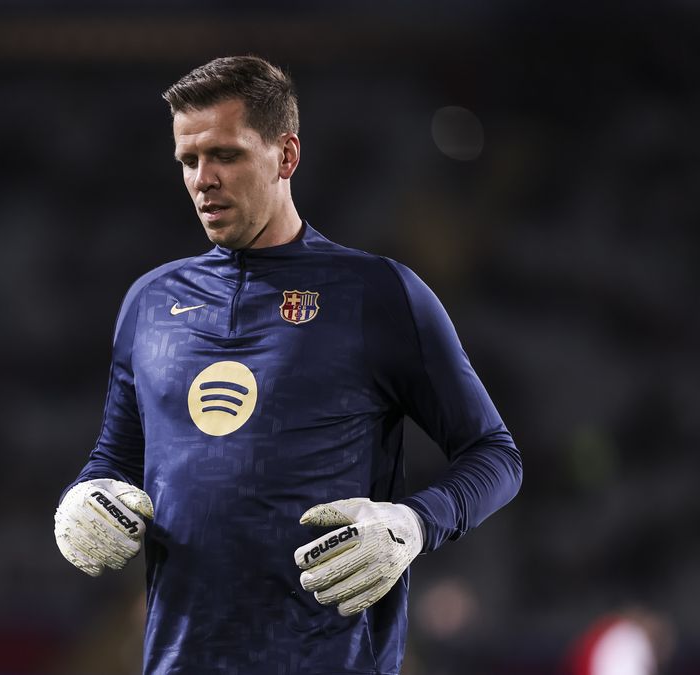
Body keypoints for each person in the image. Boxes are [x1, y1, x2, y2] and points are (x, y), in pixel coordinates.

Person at [53, 55, 522, 675]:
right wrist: (83, 496)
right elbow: (115, 457)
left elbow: (495, 455)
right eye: (188, 161)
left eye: (225, 155)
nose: (202, 179)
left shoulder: (378, 294)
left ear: (287, 156)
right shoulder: (150, 303)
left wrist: (412, 523)